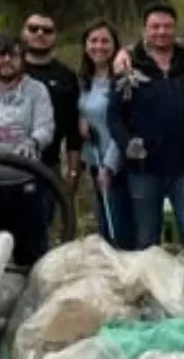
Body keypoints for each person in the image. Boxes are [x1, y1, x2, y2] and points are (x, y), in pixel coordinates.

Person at [109, 3, 184, 248]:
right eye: (155, 26)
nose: (161, 32)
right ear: (144, 30)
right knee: (147, 238)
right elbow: (114, 115)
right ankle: (151, 286)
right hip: (144, 168)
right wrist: (126, 143)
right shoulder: (128, 66)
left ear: (175, 29)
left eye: (167, 26)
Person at [0, 32, 57, 266]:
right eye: (0, 55)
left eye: (13, 55)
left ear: (22, 59)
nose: (6, 61)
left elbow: (46, 127)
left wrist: (33, 141)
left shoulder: (37, 90)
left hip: (24, 181)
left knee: (32, 254)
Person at [20, 13, 84, 239]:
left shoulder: (66, 76)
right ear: (23, 32)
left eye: (47, 30)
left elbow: (73, 131)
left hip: (47, 165)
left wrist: (74, 171)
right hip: (5, 166)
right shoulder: (8, 70)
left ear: (55, 36)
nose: (40, 34)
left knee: (41, 231)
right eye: (34, 28)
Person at [78, 20, 136, 249]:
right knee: (104, 229)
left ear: (115, 46)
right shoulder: (85, 81)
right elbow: (86, 112)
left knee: (120, 231)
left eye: (105, 41)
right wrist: (81, 120)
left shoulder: (122, 80)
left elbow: (122, 125)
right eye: (93, 40)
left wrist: (110, 167)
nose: (98, 46)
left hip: (115, 167)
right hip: (94, 163)